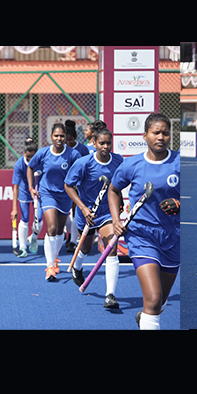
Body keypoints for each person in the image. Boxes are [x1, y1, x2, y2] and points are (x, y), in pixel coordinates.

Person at [108, 113, 179, 329]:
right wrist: (116, 220)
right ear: (145, 135)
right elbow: (113, 190)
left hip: (173, 236)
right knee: (153, 298)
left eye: (165, 133)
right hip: (141, 236)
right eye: (156, 132)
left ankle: (146, 317)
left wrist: (180, 203)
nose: (161, 137)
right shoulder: (132, 164)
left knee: (160, 302)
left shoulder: (179, 162)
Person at [65, 127, 124, 309]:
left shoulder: (118, 161)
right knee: (86, 248)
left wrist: (120, 204)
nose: (105, 146)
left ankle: (110, 295)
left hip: (107, 212)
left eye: (108, 143)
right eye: (102, 143)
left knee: (111, 248)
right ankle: (77, 267)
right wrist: (83, 209)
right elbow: (68, 185)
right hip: (86, 213)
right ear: (95, 144)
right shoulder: (84, 163)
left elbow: (118, 185)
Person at [28, 123, 83, 281]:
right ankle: (50, 266)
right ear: (51, 137)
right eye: (56, 136)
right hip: (47, 193)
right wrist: (31, 187)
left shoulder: (73, 154)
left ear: (65, 137)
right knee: (51, 228)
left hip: (65, 195)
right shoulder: (43, 152)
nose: (59, 138)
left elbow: (81, 170)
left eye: (62, 136)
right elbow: (30, 167)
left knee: (60, 231)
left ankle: (55, 257)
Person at [64, 120, 91, 252]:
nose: (68, 143)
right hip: (64, 185)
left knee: (75, 212)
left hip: (77, 185)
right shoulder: (62, 148)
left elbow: (86, 167)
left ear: (75, 138)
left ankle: (73, 241)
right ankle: (70, 234)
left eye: (71, 140)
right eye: (66, 140)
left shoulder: (82, 149)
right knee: (63, 213)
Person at [11, 138, 39, 258]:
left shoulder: (40, 162)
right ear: (24, 153)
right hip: (24, 193)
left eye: (33, 157)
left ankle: (33, 238)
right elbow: (16, 187)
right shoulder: (19, 164)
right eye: (28, 157)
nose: (30, 160)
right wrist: (14, 209)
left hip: (38, 192)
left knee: (39, 219)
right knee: (25, 218)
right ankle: (23, 247)